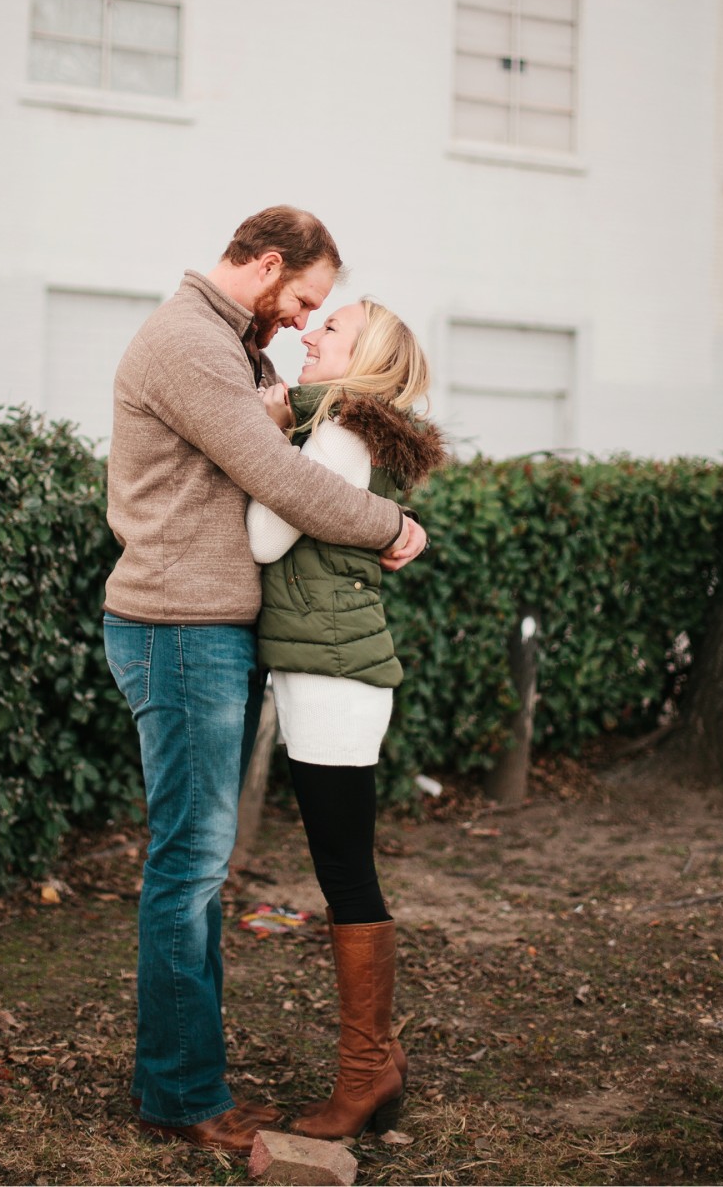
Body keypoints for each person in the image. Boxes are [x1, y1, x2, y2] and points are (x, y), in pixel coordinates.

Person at [102, 208, 428, 1156]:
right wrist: (390, 524)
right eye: (305, 299)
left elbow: (267, 442)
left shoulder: (227, 344)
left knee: (199, 867)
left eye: (321, 314)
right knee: (191, 867)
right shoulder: (191, 343)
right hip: (181, 627)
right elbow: (278, 482)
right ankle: (181, 1096)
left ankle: (184, 1081)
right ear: (271, 265)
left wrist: (291, 409)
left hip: (209, 629)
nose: (302, 319)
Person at [246, 298, 446, 1140]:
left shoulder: (332, 434)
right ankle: (379, 1060)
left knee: (345, 871)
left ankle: (365, 1072)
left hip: (332, 676)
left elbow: (263, 540)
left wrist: (265, 437)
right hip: (333, 670)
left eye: (331, 328)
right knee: (344, 865)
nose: (309, 333)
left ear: (367, 357)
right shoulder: (343, 431)